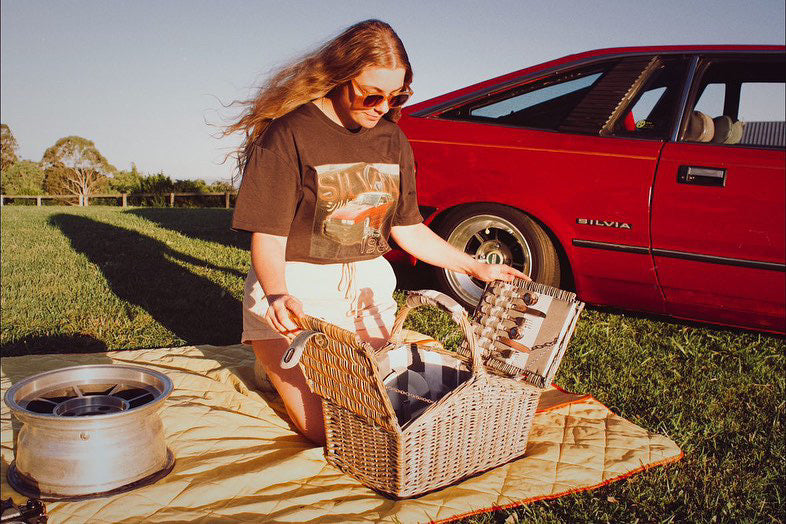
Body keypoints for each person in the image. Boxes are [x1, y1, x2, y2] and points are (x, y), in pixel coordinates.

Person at [228, 19, 526, 445]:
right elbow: (268, 238)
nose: (383, 106)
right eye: (372, 94)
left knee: (400, 411)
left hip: (367, 292)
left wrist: (474, 267)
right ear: (338, 77)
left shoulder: (392, 140)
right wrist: (276, 294)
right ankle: (270, 360)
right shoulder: (288, 134)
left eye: (396, 96)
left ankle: (280, 367)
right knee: (330, 431)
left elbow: (408, 227)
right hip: (299, 295)